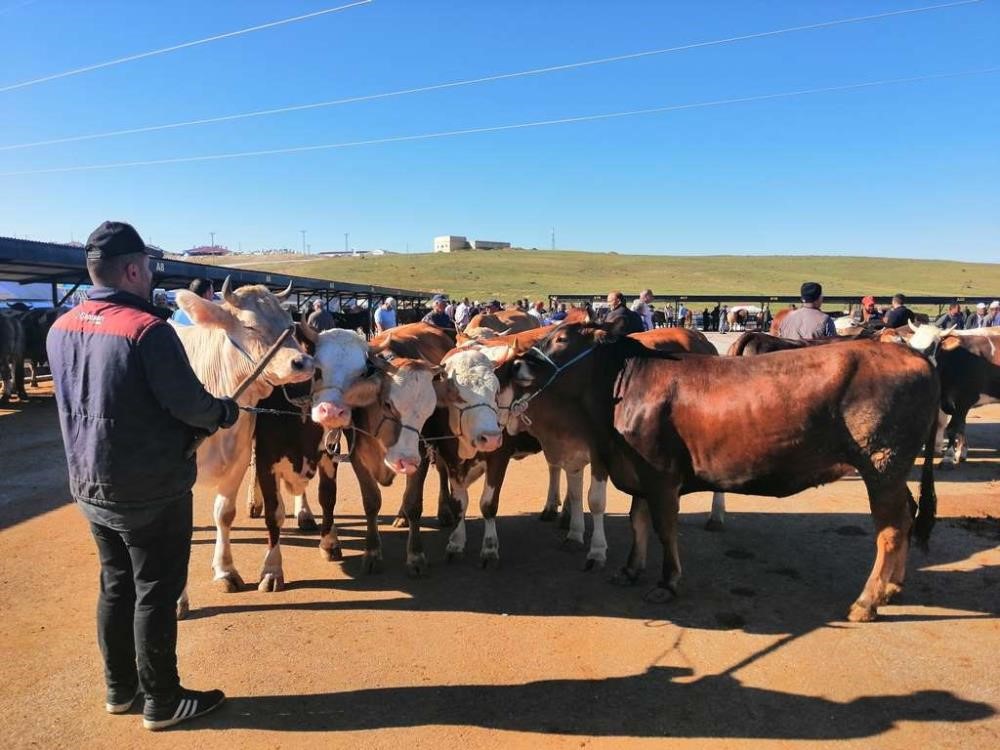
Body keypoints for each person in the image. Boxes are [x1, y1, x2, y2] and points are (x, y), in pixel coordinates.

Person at [46, 221, 239, 731]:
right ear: (132, 269)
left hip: (89, 483)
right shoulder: (148, 331)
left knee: (115, 585)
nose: (151, 275)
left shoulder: (61, 326)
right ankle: (163, 700)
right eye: (149, 267)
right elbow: (190, 405)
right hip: (150, 487)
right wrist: (224, 413)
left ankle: (120, 689)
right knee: (155, 589)